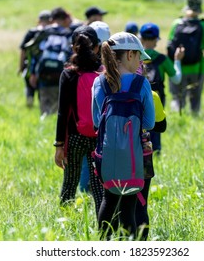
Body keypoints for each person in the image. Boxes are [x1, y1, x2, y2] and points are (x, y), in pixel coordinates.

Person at [92, 32, 155, 240]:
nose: (140, 61)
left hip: (106, 153)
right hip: (134, 154)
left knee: (108, 201)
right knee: (129, 205)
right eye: (138, 56)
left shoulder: (99, 83)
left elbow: (95, 121)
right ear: (129, 55)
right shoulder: (141, 83)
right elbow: (149, 123)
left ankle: (102, 245)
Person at [53, 25, 104, 215]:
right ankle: (103, 226)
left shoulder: (68, 74)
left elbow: (62, 113)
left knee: (70, 182)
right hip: (99, 139)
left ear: (73, 47)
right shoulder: (104, 73)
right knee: (99, 186)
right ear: (97, 47)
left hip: (75, 138)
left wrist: (59, 145)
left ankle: (65, 221)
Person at [135, 47, 184, 241]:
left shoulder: (104, 86)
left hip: (111, 152)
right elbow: (160, 126)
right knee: (141, 201)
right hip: (142, 154)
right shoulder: (151, 93)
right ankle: (140, 244)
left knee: (113, 201)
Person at [167, 0, 204, 115]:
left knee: (178, 97)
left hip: (177, 67)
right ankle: (194, 117)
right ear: (200, 10)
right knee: (195, 97)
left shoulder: (176, 23)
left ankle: (178, 119)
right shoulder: (203, 26)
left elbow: (170, 44)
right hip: (197, 68)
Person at [78, 21, 111, 193]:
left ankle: (84, 194)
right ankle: (99, 193)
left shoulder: (76, 67)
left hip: (82, 125)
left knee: (85, 161)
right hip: (104, 125)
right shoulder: (108, 69)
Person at [31, 7, 83, 116]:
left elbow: (35, 54)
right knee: (59, 108)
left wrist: (33, 73)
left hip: (43, 75)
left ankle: (43, 123)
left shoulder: (44, 32)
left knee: (45, 105)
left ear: (51, 19)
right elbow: (71, 56)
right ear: (65, 20)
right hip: (61, 75)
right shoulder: (68, 34)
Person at [139, 22, 181, 153]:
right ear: (157, 39)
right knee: (156, 126)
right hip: (157, 98)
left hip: (137, 98)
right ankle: (155, 151)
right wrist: (177, 60)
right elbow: (176, 79)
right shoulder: (162, 59)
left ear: (140, 38)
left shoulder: (134, 57)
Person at [18, 10, 52, 108]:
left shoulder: (31, 32)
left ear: (38, 20)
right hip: (45, 68)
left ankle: (29, 105)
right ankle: (43, 109)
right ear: (51, 21)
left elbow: (23, 50)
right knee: (43, 91)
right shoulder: (52, 32)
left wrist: (20, 67)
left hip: (29, 67)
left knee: (29, 89)